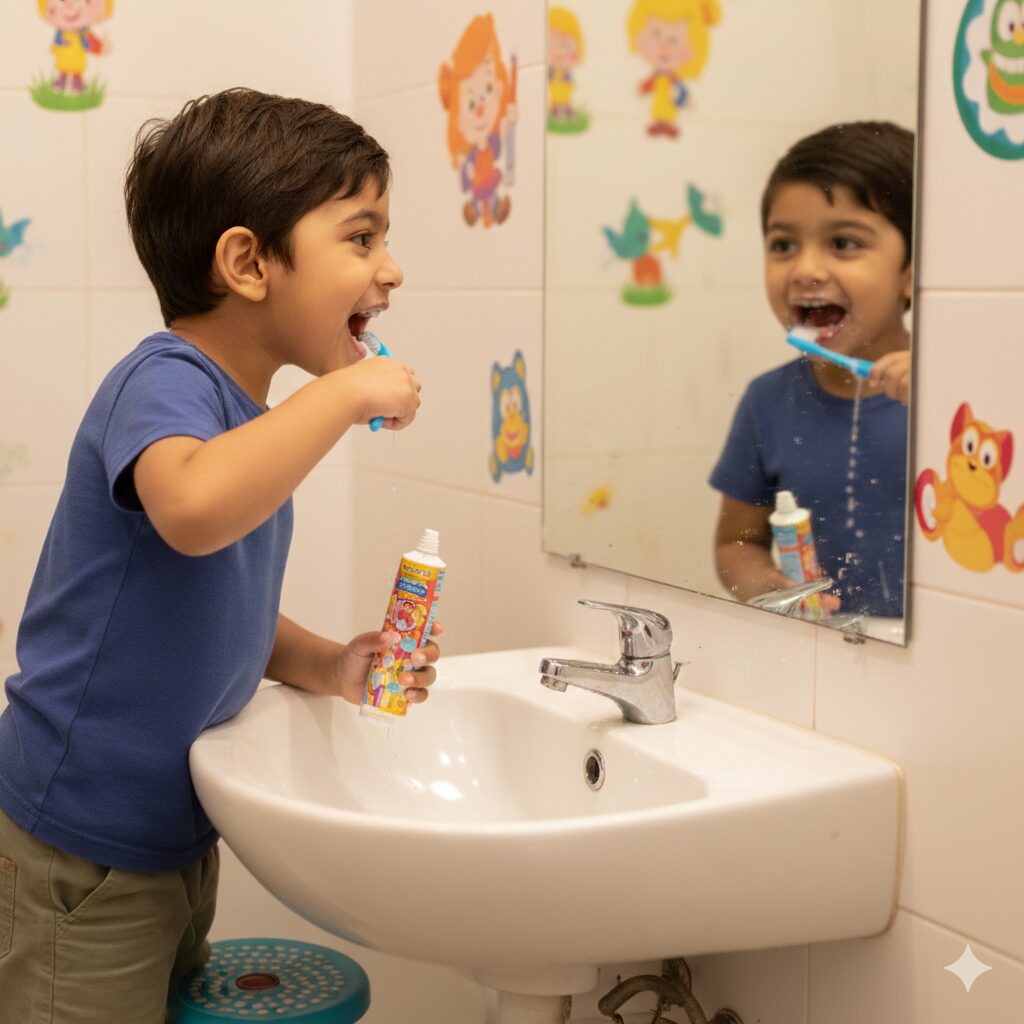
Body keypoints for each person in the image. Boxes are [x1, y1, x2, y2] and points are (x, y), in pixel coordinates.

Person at [0, 87, 435, 1022]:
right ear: (246, 262)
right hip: (78, 851)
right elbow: (193, 513)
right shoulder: (163, 381)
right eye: (362, 238)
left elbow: (211, 601)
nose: (390, 269)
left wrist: (327, 663)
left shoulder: (245, 420)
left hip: (168, 842)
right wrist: (347, 393)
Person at [709, 121, 914, 619]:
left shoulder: (963, 400)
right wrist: (777, 591)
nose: (804, 269)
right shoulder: (766, 403)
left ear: (914, 272)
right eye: (783, 245)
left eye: (843, 243)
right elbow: (736, 545)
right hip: (823, 656)